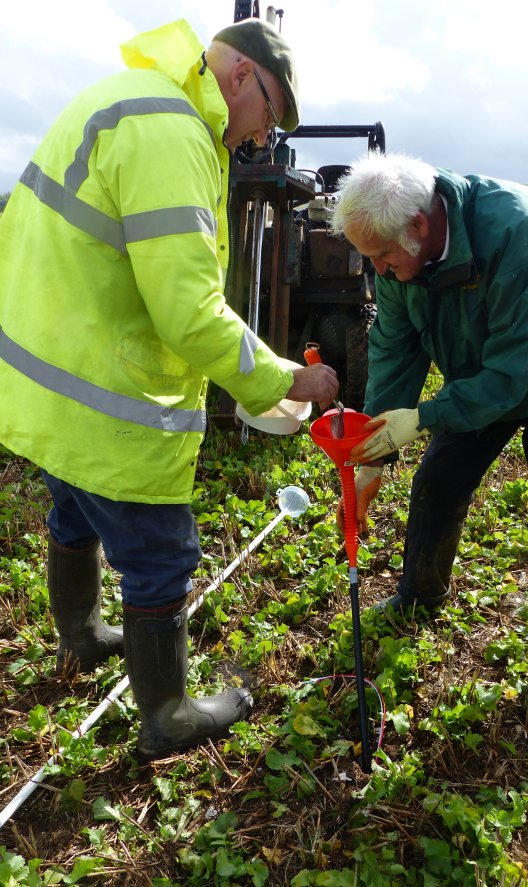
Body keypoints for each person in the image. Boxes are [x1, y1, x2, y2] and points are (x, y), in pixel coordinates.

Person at [0, 17, 338, 760]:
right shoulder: (175, 133)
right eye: (269, 114)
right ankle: (168, 716)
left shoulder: (124, 96)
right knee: (160, 552)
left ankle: (82, 637)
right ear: (242, 77)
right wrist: (287, 378)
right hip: (108, 394)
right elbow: (190, 317)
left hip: (50, 379)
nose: (260, 139)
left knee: (72, 508)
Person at [331, 152, 528, 731]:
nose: (379, 270)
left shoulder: (518, 230)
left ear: (418, 226)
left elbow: (511, 377)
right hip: (480, 376)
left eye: (383, 257)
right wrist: (377, 450)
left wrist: (425, 417)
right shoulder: (394, 254)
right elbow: (394, 345)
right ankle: (420, 593)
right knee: (438, 482)